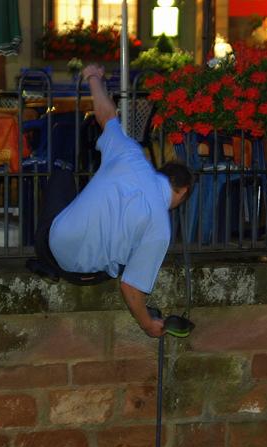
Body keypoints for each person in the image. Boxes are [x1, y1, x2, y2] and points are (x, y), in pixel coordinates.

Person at [31, 63, 193, 338]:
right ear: (183, 191)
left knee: (62, 176)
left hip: (54, 250)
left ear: (162, 172)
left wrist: (94, 77)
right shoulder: (161, 229)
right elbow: (130, 287)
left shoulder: (129, 154)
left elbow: (106, 115)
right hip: (95, 274)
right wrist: (148, 325)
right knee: (132, 248)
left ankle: (45, 257)